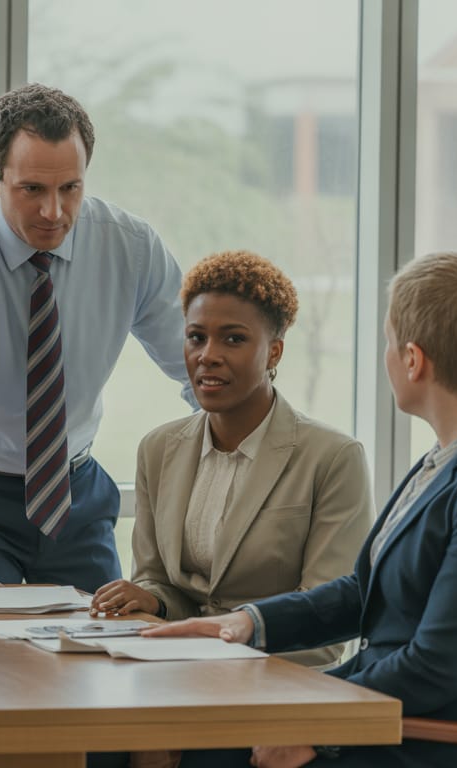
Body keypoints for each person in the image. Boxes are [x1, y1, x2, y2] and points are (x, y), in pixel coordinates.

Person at [147, 252, 457, 768]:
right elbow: (361, 592)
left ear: (413, 360)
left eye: (389, 344)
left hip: (416, 745)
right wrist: (245, 624)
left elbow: (435, 669)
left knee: (199, 751)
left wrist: (315, 725)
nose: (387, 359)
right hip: (378, 721)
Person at [0, 83, 194, 597]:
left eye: (70, 188)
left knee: (99, 648)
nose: (54, 212)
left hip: (75, 493)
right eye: (31, 189)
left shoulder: (130, 247)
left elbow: (198, 365)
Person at [91, 250, 372, 670]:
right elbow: (162, 583)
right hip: (178, 672)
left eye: (234, 339)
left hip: (277, 682)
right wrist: (151, 599)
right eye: (196, 337)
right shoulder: (158, 449)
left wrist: (215, 647)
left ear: (274, 352)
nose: (208, 355)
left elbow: (327, 624)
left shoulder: (333, 458)